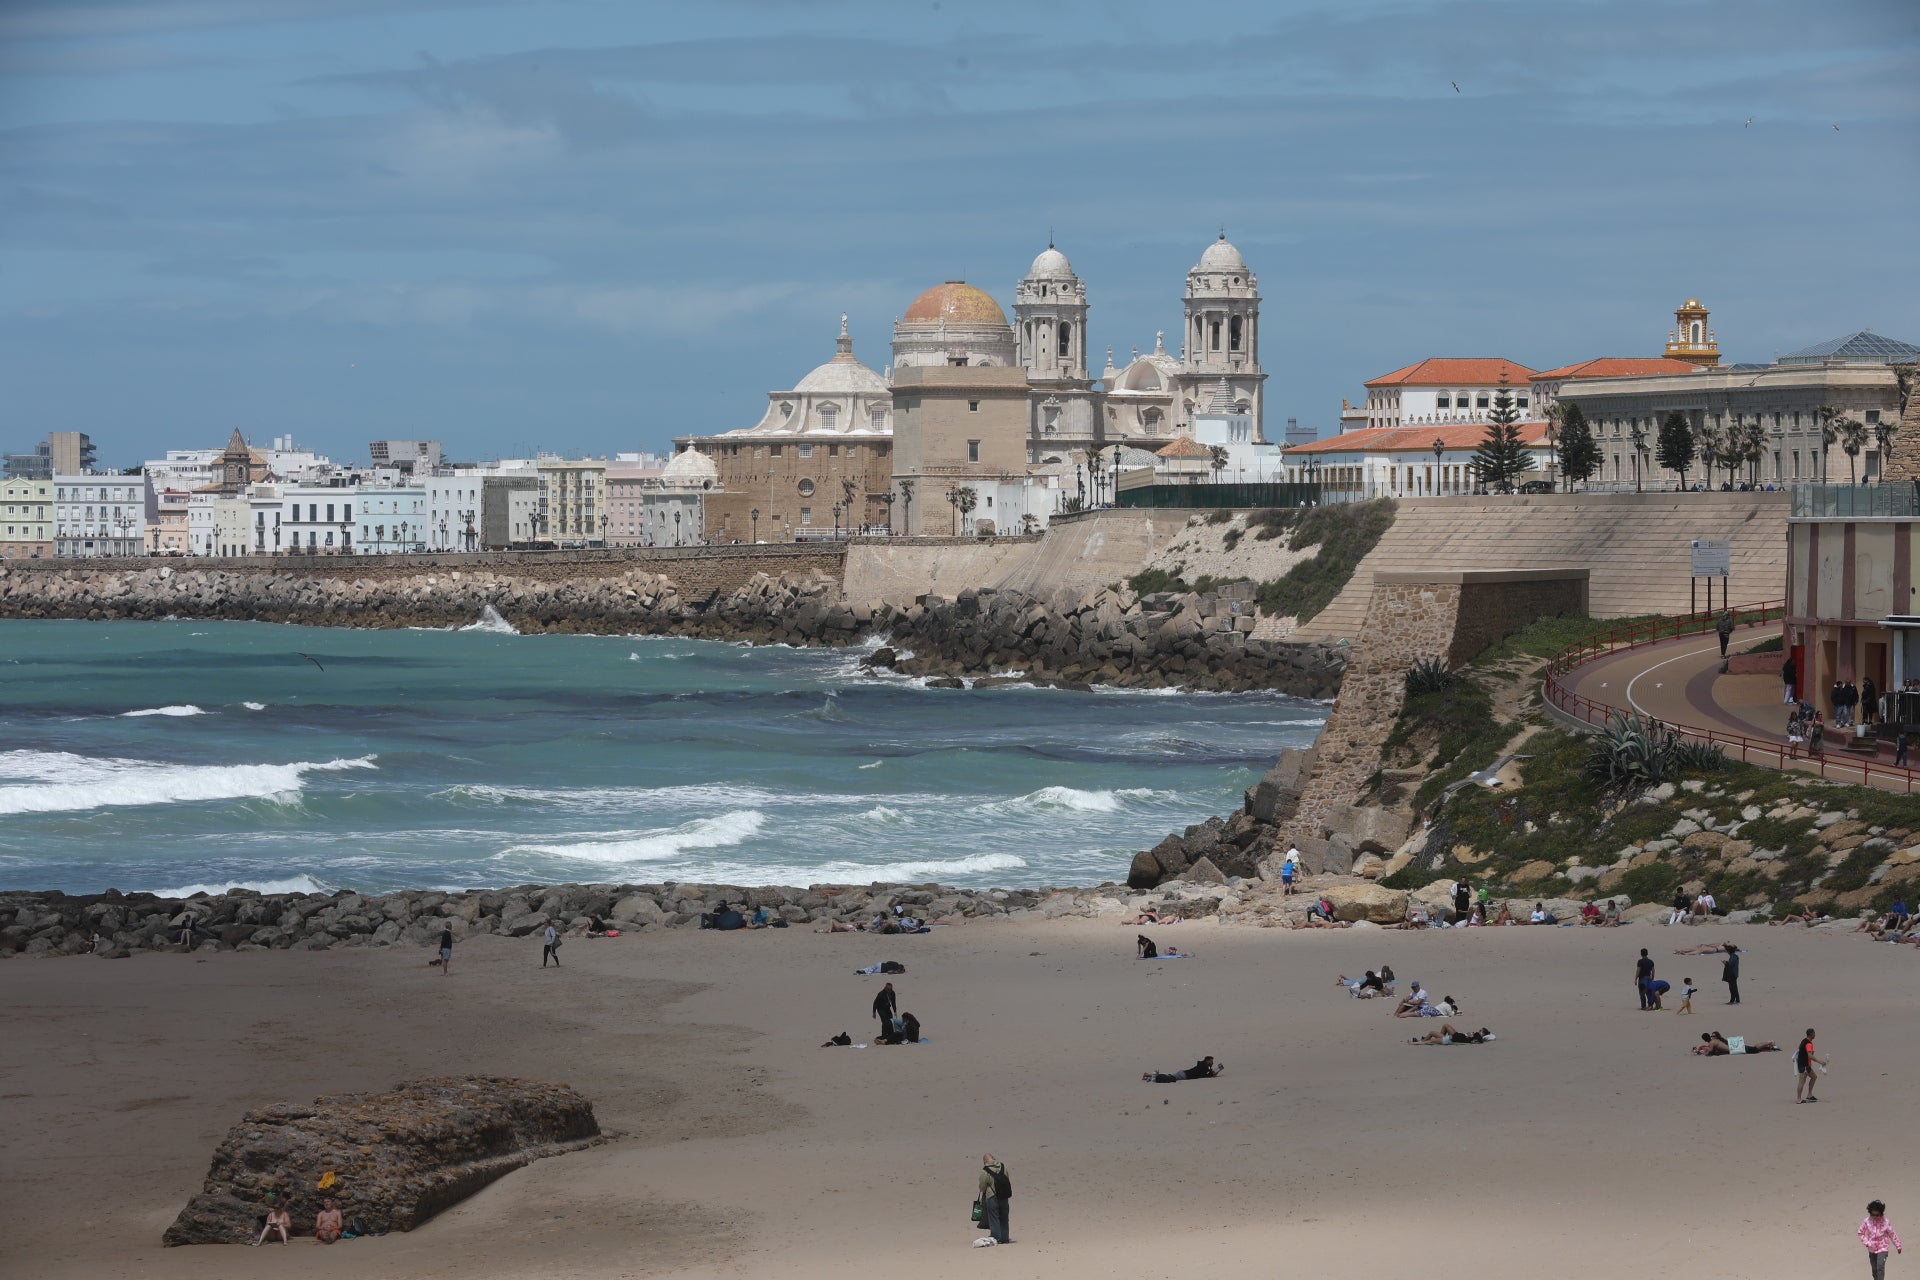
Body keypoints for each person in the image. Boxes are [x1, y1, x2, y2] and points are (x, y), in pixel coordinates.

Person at [1860, 1200, 1903, 1280]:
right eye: (1873, 1215)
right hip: (1872, 1249)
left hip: (1883, 1248)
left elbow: (1892, 1234)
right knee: (1874, 1269)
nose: (1875, 1217)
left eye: (1877, 1215)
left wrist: (1898, 1245)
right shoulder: (1867, 1221)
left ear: (1881, 1213)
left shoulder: (1886, 1222)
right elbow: (1860, 1233)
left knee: (1880, 1267)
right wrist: (1867, 1243)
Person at [976, 1155, 1010, 1246]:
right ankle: (1005, 1238)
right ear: (994, 1158)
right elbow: (1007, 1179)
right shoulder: (1003, 1167)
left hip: (992, 1196)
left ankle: (996, 1238)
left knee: (994, 1218)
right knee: (1004, 1217)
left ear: (984, 1161)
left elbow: (982, 1186)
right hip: (1004, 1196)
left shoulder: (985, 1170)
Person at [1796, 1028, 1826, 1103]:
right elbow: (1810, 1055)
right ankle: (1798, 1099)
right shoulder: (1809, 1044)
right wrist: (1820, 1062)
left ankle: (1809, 1095)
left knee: (1814, 1077)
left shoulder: (1804, 1040)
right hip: (1804, 1065)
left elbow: (1800, 1050)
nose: (1815, 1034)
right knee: (1802, 1081)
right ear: (1811, 1034)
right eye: (1814, 1033)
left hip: (1806, 1065)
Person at [1143, 1056, 1225, 1082]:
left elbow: (1208, 1073)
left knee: (1169, 1076)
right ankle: (1148, 1076)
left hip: (1183, 1073)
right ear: (1207, 1061)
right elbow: (1208, 1074)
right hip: (1184, 1075)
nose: (1212, 1063)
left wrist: (1214, 1071)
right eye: (1211, 1061)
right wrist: (1215, 1071)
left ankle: (1148, 1076)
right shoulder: (1204, 1067)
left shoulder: (1204, 1066)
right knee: (1170, 1078)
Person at [1407, 1023, 1493, 1045]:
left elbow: (1479, 1040)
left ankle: (1416, 1043)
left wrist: (1471, 1035)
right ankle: (1421, 1040)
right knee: (1432, 1033)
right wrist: (1469, 1035)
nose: (1478, 1031)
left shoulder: (1477, 1037)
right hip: (1452, 1037)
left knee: (1429, 1041)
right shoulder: (1474, 1037)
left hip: (1450, 1039)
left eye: (1480, 1030)